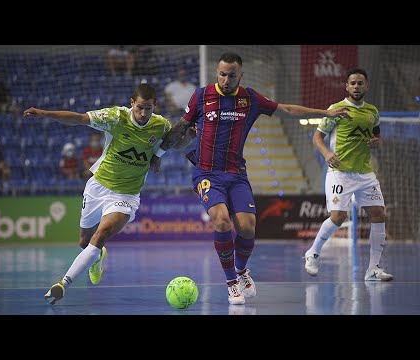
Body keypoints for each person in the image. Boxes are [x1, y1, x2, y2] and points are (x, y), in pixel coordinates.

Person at [151, 52, 351, 305]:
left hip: (236, 173)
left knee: (247, 228)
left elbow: (286, 109)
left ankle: (242, 271)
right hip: (206, 172)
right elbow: (181, 126)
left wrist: (326, 112)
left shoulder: (249, 98)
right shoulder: (201, 96)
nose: (225, 79)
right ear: (217, 73)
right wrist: (158, 153)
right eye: (222, 74)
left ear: (240, 75)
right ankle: (231, 283)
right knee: (222, 222)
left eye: (231, 75)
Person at [23, 83, 193, 305]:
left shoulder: (160, 125)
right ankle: (97, 256)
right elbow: (79, 118)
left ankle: (63, 284)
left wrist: (189, 136)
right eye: (140, 107)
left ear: (155, 107)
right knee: (85, 241)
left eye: (148, 109)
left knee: (100, 234)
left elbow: (173, 144)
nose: (143, 114)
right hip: (98, 186)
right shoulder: (115, 117)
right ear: (132, 103)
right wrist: (44, 113)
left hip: (127, 195)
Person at [303, 67, 393, 282]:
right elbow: (317, 137)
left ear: (366, 86)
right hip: (339, 172)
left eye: (360, 83)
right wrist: (326, 153)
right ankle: (312, 253)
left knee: (379, 214)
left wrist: (377, 142)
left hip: (364, 173)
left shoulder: (372, 112)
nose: (356, 86)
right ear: (346, 86)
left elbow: (377, 137)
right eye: (352, 83)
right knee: (338, 217)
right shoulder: (336, 109)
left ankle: (373, 269)